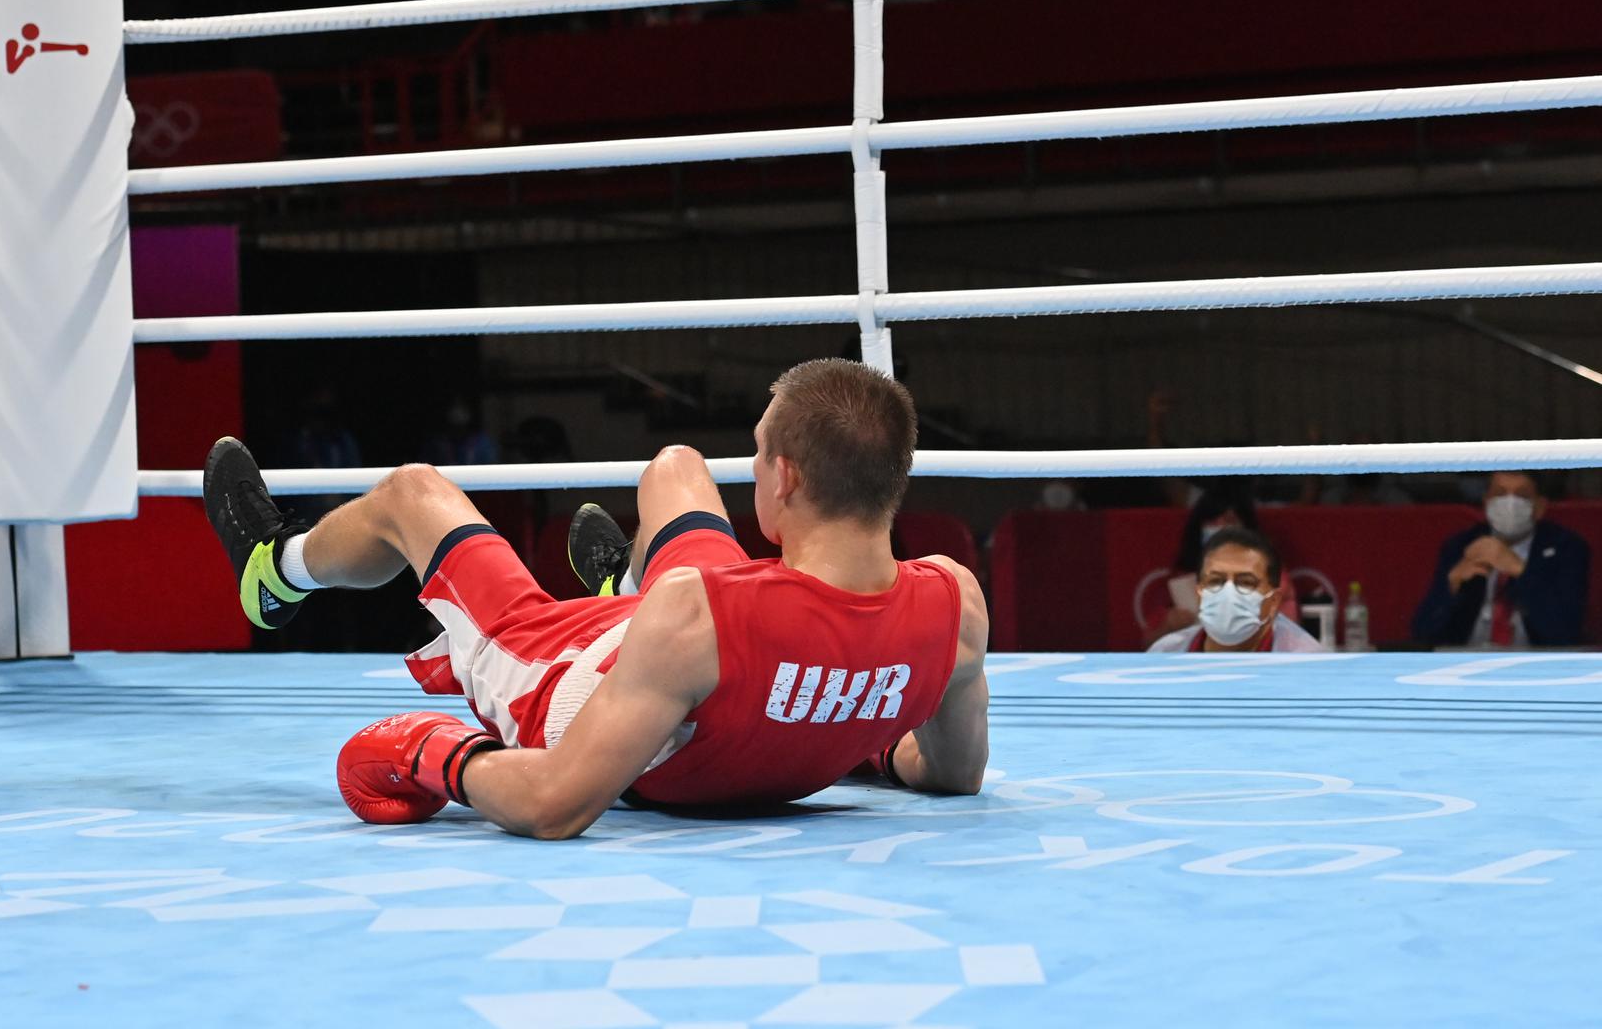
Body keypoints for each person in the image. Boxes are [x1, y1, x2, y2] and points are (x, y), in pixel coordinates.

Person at [202, 358, 989, 840]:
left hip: (571, 678)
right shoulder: (954, 605)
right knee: (676, 468)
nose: (755, 474)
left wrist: (434, 754)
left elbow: (553, 805)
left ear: (785, 478)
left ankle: (274, 571)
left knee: (412, 494)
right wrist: (847, 722)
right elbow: (953, 774)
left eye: (757, 458)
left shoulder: (700, 616)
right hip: (696, 645)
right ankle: (627, 588)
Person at [1412, 470, 1590, 648]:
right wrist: (1451, 586)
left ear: (1540, 507)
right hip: (1467, 659)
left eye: (1521, 495)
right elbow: (1422, 634)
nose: (1509, 503)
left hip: (1534, 664)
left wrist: (1520, 570)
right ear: (1486, 502)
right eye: (1500, 494)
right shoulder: (1461, 545)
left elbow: (1565, 634)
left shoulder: (1567, 547)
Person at [1141, 486, 1299, 648]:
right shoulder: (1180, 577)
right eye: (1215, 581)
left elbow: (1287, 630)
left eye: (1245, 582)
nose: (1221, 526)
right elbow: (1149, 641)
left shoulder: (1270, 572)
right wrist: (1169, 625)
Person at [1146, 527, 1321, 653]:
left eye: (1245, 583)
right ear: (1198, 594)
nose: (1228, 593)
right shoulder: (1165, 654)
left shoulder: (1304, 663)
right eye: (1215, 581)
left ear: (1274, 602)